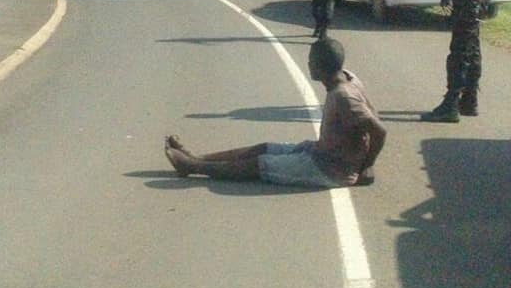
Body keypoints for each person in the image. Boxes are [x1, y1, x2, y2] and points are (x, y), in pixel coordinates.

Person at [163, 37, 387, 188]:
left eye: (311, 61)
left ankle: (192, 167)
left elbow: (379, 130)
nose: (308, 64)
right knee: (264, 148)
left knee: (259, 164)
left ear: (320, 67)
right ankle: (197, 157)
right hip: (322, 151)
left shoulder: (343, 96)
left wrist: (367, 165)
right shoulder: (348, 77)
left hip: (330, 169)